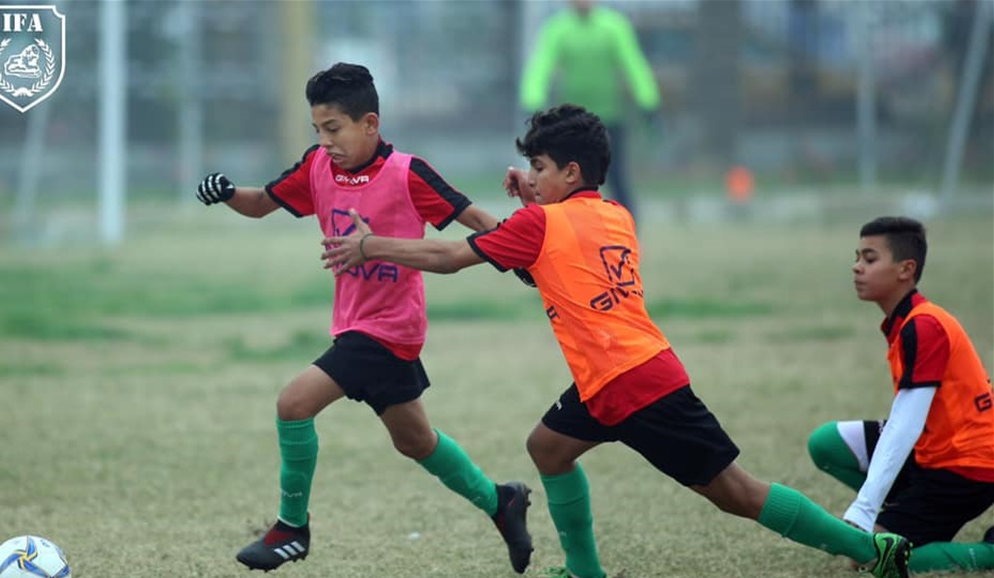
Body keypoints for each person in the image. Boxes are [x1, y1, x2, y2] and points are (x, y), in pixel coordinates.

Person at [320, 104, 912, 578]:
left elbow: (450, 257)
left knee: (736, 492)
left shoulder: (540, 223)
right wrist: (531, 200)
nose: (532, 177)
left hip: (634, 384)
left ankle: (867, 548)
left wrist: (371, 245)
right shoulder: (614, 214)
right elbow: (546, 260)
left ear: (570, 173)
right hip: (614, 376)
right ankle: (584, 570)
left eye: (541, 168)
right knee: (547, 448)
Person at [195, 62, 533, 574]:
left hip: (390, 330)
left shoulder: (407, 173)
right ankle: (500, 501)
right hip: (354, 324)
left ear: (370, 124)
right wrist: (227, 193)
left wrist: (524, 261)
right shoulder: (317, 168)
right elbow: (263, 203)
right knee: (415, 440)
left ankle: (291, 528)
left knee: (293, 404)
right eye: (318, 130)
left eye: (334, 129)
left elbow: (476, 219)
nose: (325, 140)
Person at [807, 216, 994, 573]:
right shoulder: (905, 321)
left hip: (968, 466)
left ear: (906, 269)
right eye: (857, 257)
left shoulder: (925, 325)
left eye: (869, 258)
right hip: (930, 451)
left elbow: (905, 424)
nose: (856, 267)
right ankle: (905, 519)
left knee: (872, 557)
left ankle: (989, 552)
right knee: (827, 443)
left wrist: (863, 509)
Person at [519, 0, 661, 228]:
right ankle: (559, 235)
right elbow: (541, 65)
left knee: (616, 179)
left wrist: (648, 100)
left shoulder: (614, 26)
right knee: (565, 183)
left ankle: (627, 236)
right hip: (572, 125)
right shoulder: (558, 28)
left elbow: (633, 64)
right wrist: (531, 100)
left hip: (608, 121)